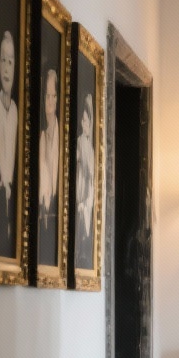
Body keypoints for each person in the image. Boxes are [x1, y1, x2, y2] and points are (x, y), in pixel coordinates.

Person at [0, 29, 18, 258]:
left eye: (11, 61)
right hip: (0, 195)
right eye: (3, 60)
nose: (7, 67)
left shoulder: (16, 112)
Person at [38, 68, 59, 267]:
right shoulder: (41, 133)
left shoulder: (60, 135)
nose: (50, 101)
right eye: (47, 95)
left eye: (54, 95)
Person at [75, 92, 94, 269]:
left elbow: (92, 180)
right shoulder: (80, 143)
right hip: (80, 199)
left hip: (87, 201)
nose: (83, 124)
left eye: (86, 121)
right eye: (82, 121)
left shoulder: (91, 149)